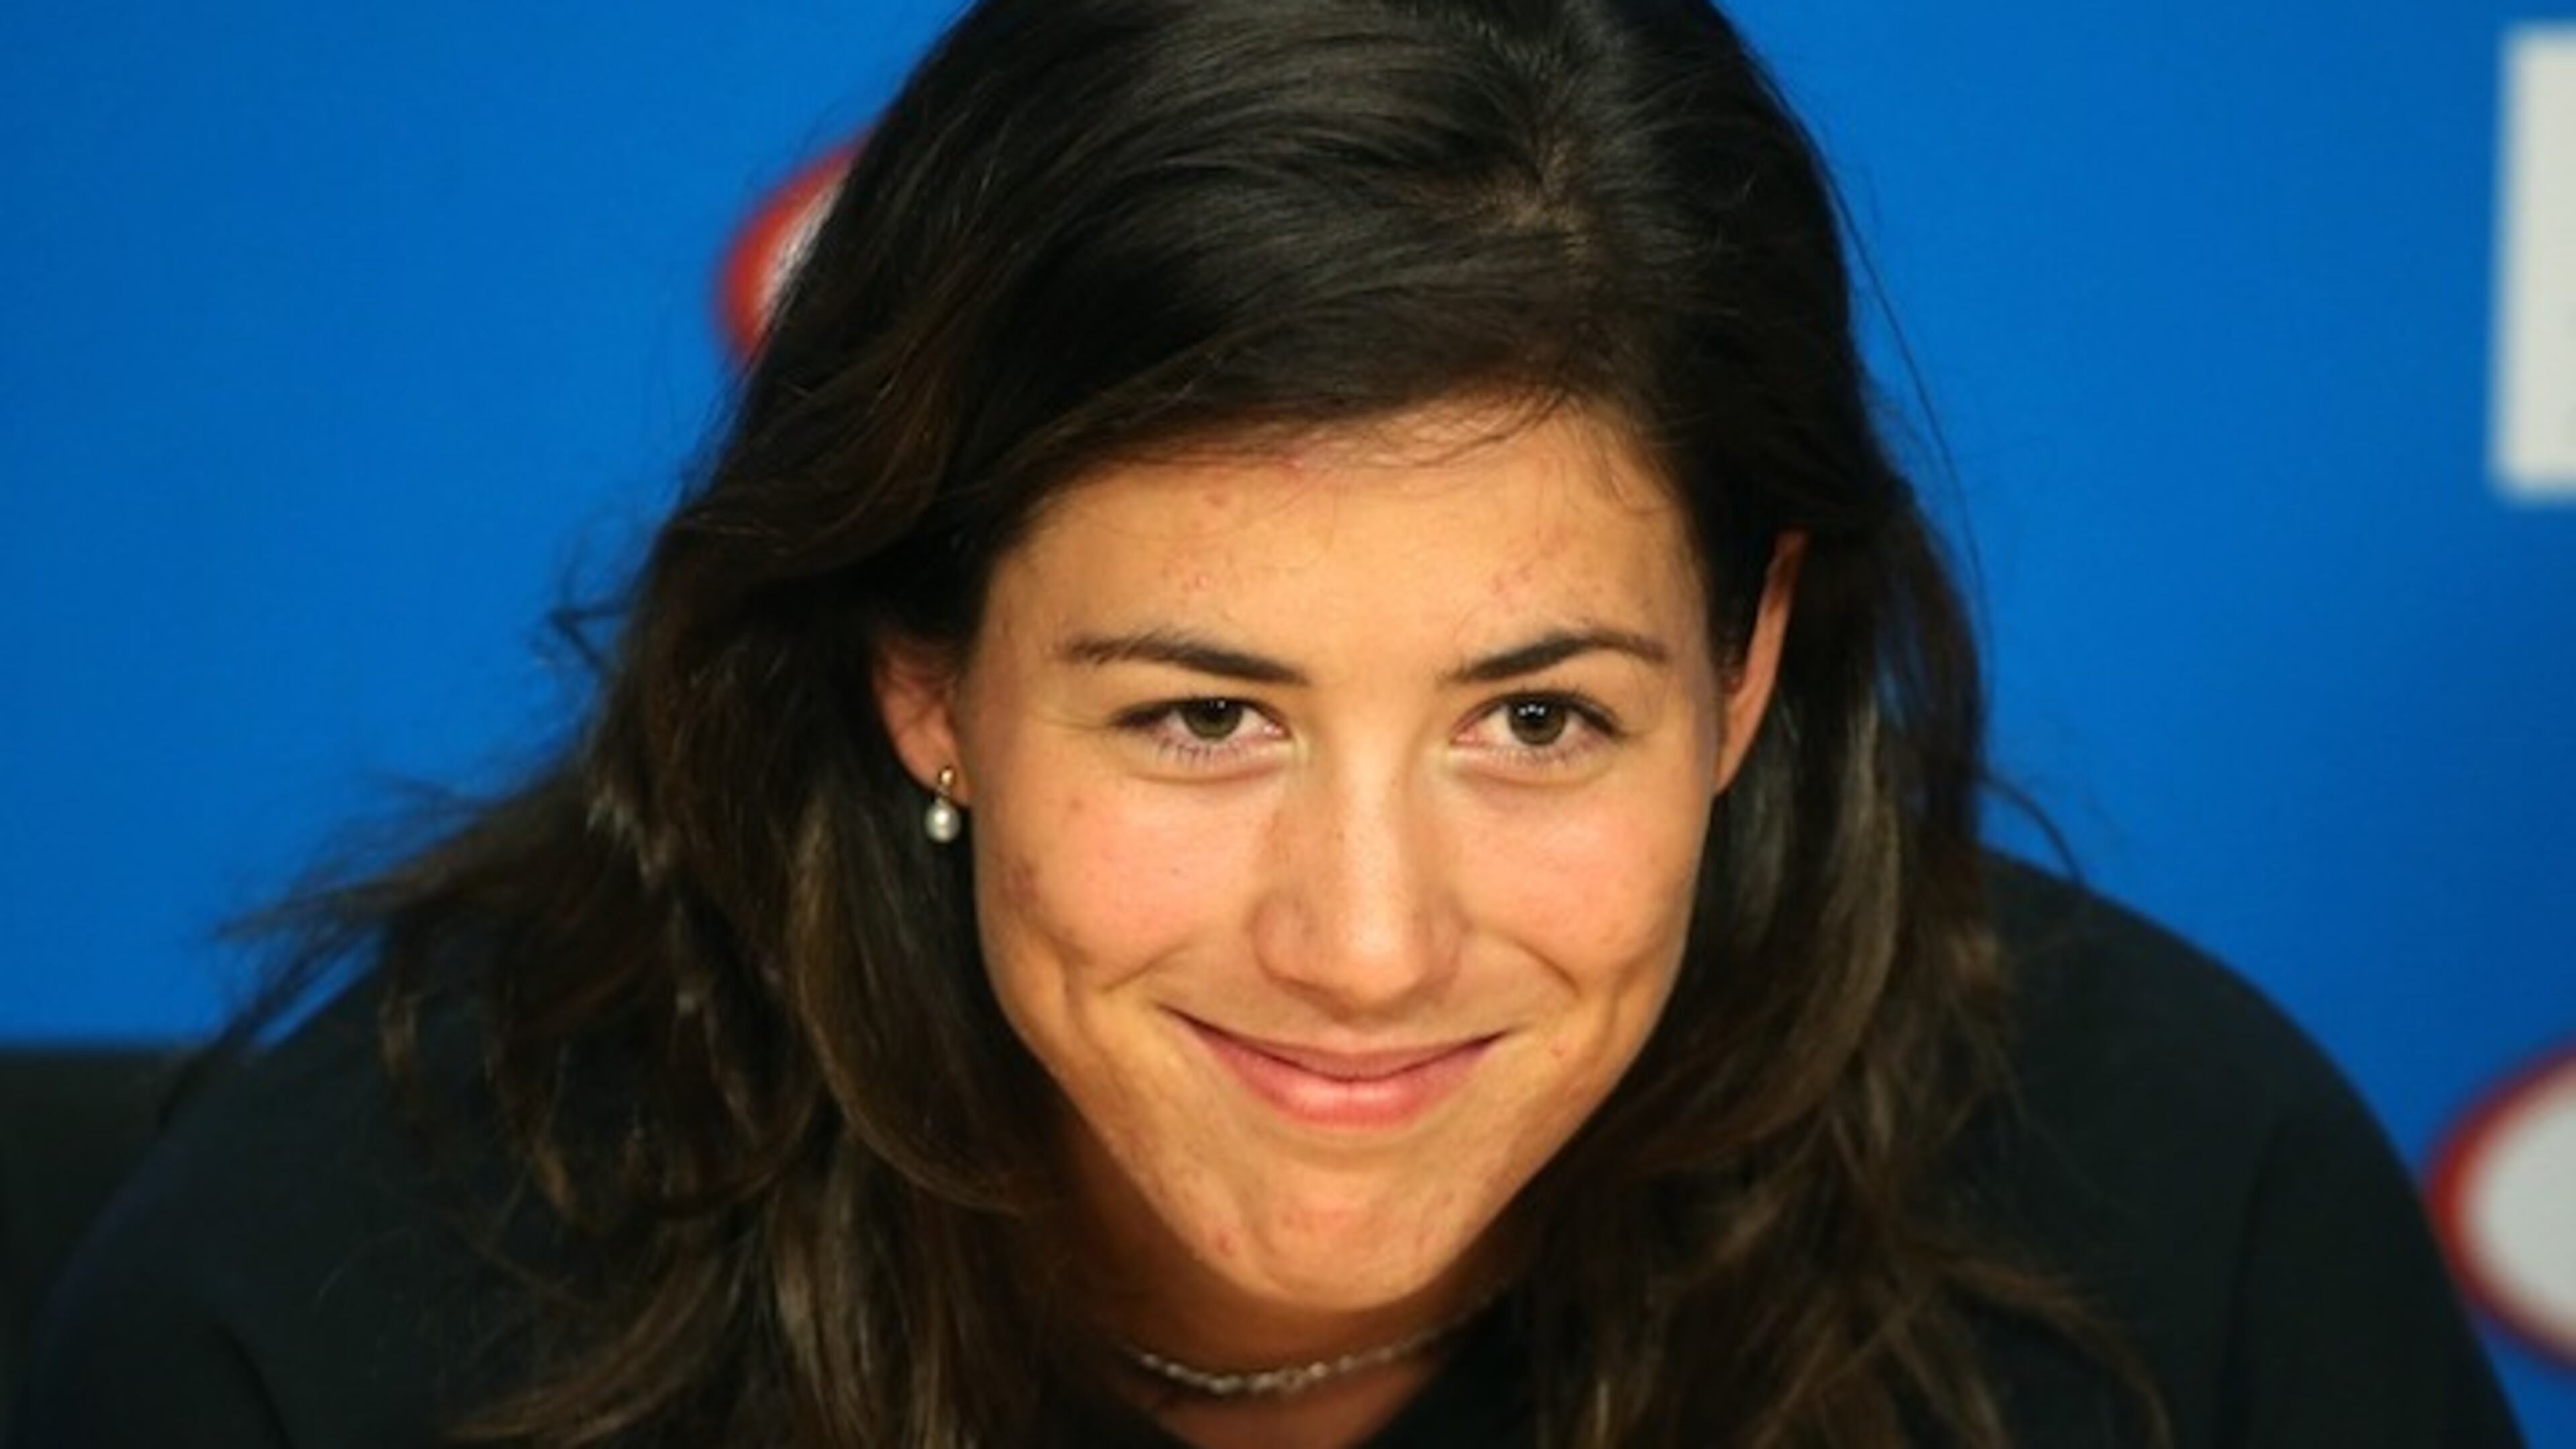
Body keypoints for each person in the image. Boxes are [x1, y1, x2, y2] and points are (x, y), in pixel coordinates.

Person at [12, 0, 2526, 1445]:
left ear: (1749, 674)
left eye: (1536, 721)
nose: (1362, 939)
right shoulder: (345, 1326)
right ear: (929, 680)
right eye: (1205, 717)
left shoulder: (2177, 1242)